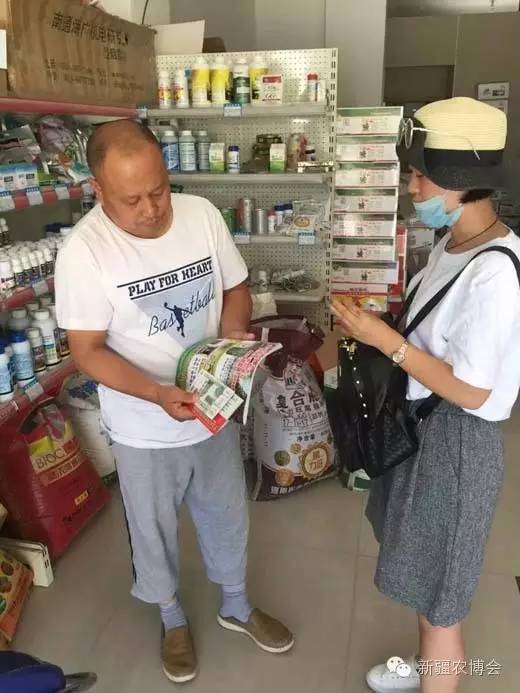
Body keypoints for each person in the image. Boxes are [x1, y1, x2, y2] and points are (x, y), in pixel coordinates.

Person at [55, 120, 294, 684]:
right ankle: (171, 617)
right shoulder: (84, 252)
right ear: (98, 189)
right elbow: (87, 351)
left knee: (225, 512)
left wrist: (231, 337)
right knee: (152, 529)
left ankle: (236, 604)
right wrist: (157, 393)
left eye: (158, 190)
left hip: (212, 408)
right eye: (131, 200)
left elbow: (235, 288)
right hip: (143, 424)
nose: (151, 210)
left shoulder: (201, 215)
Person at [330, 97, 520, 692]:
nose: (411, 187)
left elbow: (472, 391)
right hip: (424, 431)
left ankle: (439, 670)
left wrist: (384, 340)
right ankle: (426, 664)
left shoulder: (495, 272)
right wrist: (378, 325)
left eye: (420, 175)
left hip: (456, 447)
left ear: (460, 180)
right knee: (423, 577)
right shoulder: (452, 244)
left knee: (442, 607)